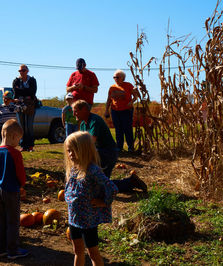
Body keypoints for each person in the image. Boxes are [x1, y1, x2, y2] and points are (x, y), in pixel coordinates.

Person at [64, 131, 118, 266]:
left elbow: (111, 187)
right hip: (74, 218)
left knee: (92, 252)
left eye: (74, 151)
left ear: (84, 150)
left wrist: (103, 202)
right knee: (77, 250)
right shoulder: (74, 169)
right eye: (69, 151)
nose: (70, 155)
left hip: (88, 220)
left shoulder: (92, 170)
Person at [72, 100, 147, 193]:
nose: (74, 114)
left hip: (107, 153)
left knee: (101, 186)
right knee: (98, 184)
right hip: (98, 152)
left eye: (75, 111)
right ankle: (130, 182)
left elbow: (90, 142)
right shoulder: (83, 124)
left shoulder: (94, 120)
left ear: (84, 110)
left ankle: (130, 182)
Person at [0, 119, 28, 259]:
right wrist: (22, 185)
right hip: (11, 190)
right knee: (13, 221)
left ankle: (0, 248)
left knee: (0, 220)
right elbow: (21, 174)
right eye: (19, 139)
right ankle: (12, 250)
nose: (18, 142)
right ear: (12, 136)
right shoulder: (15, 153)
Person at [105, 70, 138, 152]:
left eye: (117, 77)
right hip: (115, 111)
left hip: (126, 110)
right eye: (114, 77)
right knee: (118, 129)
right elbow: (109, 99)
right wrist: (106, 110)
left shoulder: (128, 85)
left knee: (127, 129)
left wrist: (131, 102)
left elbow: (136, 95)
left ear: (122, 78)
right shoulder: (112, 87)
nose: (115, 79)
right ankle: (119, 147)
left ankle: (130, 147)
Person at [12, 64, 37, 152]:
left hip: (30, 105)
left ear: (27, 71)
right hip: (19, 105)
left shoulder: (32, 80)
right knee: (21, 126)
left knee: (29, 126)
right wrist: (26, 92)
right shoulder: (16, 81)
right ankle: (23, 145)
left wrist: (21, 91)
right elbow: (15, 91)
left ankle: (30, 146)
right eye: (20, 71)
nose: (21, 72)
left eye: (23, 70)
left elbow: (32, 91)